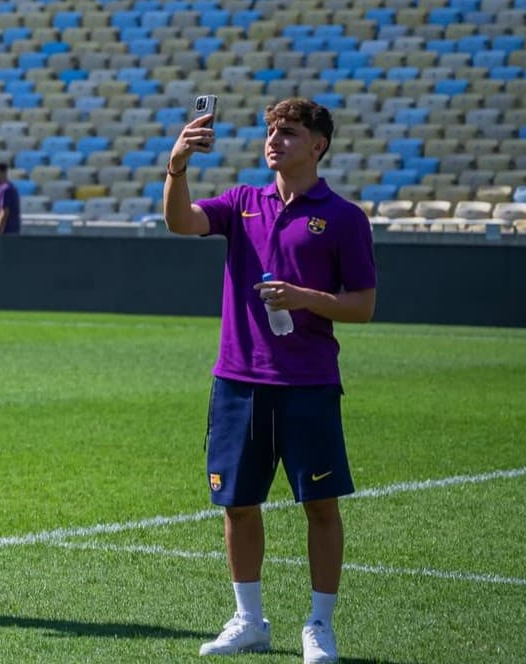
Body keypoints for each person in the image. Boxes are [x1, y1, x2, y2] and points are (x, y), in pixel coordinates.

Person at [163, 97, 376, 663]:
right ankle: (249, 619)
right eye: (271, 131)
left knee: (322, 505)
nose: (275, 140)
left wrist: (304, 298)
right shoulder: (242, 203)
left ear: (318, 144)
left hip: (307, 383)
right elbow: (180, 222)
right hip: (237, 380)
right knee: (237, 504)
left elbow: (363, 306)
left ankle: (320, 625)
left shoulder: (345, 217)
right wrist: (177, 164)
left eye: (289, 132)